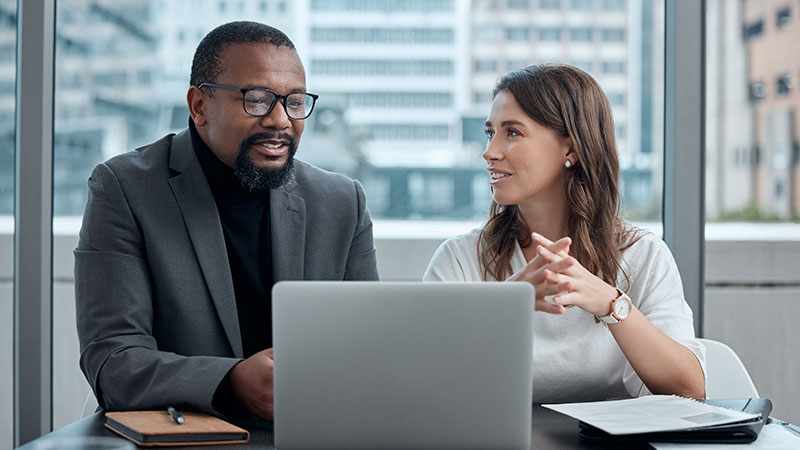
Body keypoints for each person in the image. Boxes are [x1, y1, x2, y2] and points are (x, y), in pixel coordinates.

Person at [75, 21, 380, 423]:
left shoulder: (342, 202)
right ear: (199, 106)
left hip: (311, 430)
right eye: (257, 99)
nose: (281, 120)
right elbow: (113, 360)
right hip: (182, 437)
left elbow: (372, 351)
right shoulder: (126, 189)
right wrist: (231, 380)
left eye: (295, 101)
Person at [424, 64, 706, 402]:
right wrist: (506, 304)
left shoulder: (642, 255)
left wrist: (611, 304)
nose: (489, 151)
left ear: (570, 149)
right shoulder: (460, 259)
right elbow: (424, 384)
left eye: (511, 132)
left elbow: (689, 388)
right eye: (491, 132)